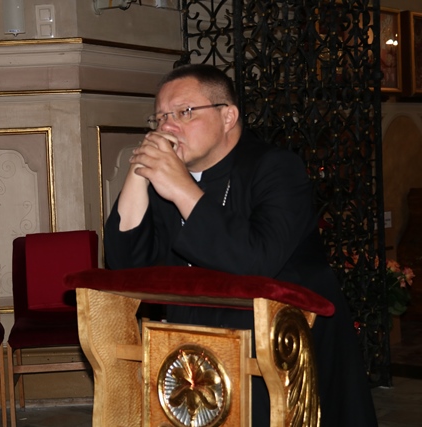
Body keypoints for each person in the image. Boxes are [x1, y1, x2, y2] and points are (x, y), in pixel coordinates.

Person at [103, 64, 378, 426]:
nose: (168, 127)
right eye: (160, 117)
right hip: (195, 339)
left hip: (277, 337)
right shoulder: (167, 180)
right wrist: (140, 171)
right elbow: (125, 265)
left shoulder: (276, 167)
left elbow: (256, 260)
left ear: (228, 116)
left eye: (184, 112)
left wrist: (183, 189)